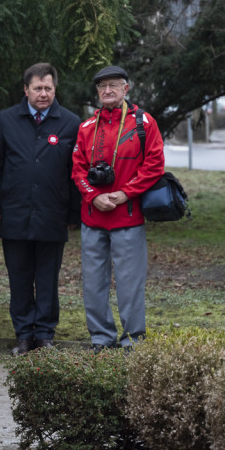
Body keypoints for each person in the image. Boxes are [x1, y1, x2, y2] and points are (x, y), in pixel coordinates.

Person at [0, 63, 80, 355]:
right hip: (15, 213)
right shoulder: (6, 120)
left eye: (48, 88)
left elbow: (74, 172)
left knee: (48, 279)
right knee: (19, 278)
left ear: (55, 89)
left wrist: (73, 215)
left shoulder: (70, 122)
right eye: (38, 88)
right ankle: (24, 335)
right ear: (26, 90)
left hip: (52, 215)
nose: (43, 94)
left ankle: (45, 335)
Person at [71, 65, 165, 351]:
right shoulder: (87, 127)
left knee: (130, 285)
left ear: (127, 88)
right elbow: (77, 169)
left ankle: (133, 341)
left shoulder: (143, 123)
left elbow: (154, 165)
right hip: (93, 217)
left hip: (128, 217)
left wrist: (125, 193)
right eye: (102, 87)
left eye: (114, 85)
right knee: (93, 284)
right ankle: (101, 338)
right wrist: (92, 196)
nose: (107, 91)